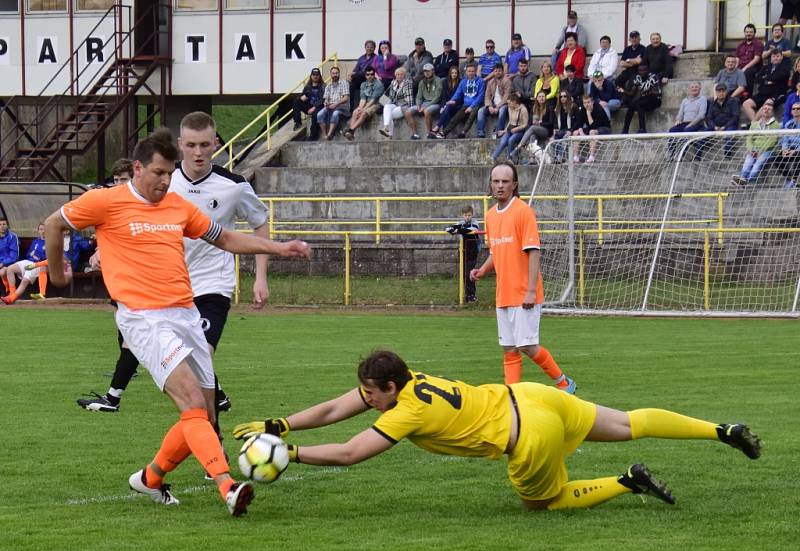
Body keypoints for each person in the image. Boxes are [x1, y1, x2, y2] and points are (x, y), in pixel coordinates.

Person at [47, 127, 311, 517]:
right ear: (137, 168)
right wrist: (57, 275)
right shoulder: (105, 202)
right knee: (190, 402)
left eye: (170, 173)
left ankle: (150, 479)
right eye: (157, 173)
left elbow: (224, 239)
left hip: (185, 314)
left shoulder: (177, 206)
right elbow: (54, 224)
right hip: (143, 319)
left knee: (202, 414)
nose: (165, 181)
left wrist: (278, 247)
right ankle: (227, 485)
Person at [230, 350, 761, 511]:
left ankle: (626, 481)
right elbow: (335, 409)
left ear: (390, 387)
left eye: (371, 393)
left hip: (527, 435)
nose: (365, 400)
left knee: (543, 503)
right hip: (531, 395)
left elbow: (349, 453)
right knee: (628, 421)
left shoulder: (405, 412)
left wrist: (289, 453)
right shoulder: (411, 383)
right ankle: (720, 429)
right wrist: (280, 423)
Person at [77, 112, 273, 427]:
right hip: (164, 288)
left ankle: (209, 438)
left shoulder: (234, 186)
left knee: (200, 363)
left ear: (216, 144)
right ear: (181, 145)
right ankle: (197, 429)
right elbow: (131, 219)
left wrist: (260, 277)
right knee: (158, 355)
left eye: (205, 145)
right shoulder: (164, 180)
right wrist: (105, 249)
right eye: (192, 145)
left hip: (212, 285)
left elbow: (258, 223)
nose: (198, 152)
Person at [470, 162, 576, 390]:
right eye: (496, 181)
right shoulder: (489, 215)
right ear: (490, 184)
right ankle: (513, 395)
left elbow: (533, 251)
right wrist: (483, 270)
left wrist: (530, 291)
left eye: (505, 182)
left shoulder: (523, 212)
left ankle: (564, 382)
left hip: (523, 293)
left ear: (514, 185)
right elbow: (496, 252)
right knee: (509, 348)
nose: (499, 186)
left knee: (528, 346)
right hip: (504, 293)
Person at [732, 100, 780, 186]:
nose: (766, 110)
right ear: (761, 111)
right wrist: (751, 149)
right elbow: (749, 138)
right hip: (755, 149)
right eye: (764, 108)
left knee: (757, 164)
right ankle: (742, 179)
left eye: (769, 109)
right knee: (748, 162)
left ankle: (746, 181)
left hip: (768, 150)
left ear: (772, 112)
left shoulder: (775, 125)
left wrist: (761, 151)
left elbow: (773, 140)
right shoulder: (754, 124)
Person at [0, 222, 47, 304]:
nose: (42, 231)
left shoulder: (50, 242)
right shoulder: (36, 241)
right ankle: (11, 293)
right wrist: (32, 254)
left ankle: (12, 298)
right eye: (40, 229)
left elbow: (48, 258)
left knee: (25, 280)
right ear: (38, 231)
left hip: (38, 264)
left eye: (44, 229)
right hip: (28, 261)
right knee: (10, 269)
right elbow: (28, 253)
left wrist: (38, 257)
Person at [435, 64, 485, 139]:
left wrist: (471, 107)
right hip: (466, 104)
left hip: (476, 104)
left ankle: (463, 132)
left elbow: (480, 96)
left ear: (475, 72)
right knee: (456, 117)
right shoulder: (463, 82)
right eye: (469, 71)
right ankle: (444, 133)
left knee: (472, 115)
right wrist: (451, 100)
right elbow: (457, 93)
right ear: (466, 72)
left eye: (472, 71)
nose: (471, 73)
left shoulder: (480, 81)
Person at [445, 205, 482, 302]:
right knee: (464, 274)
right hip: (464, 251)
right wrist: (454, 230)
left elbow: (472, 230)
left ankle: (472, 295)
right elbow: (448, 229)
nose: (467, 217)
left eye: (469, 215)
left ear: (472, 215)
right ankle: (467, 295)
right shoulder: (461, 223)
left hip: (473, 251)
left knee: (469, 273)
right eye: (465, 215)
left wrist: (458, 230)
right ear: (463, 215)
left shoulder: (474, 222)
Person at [742, 50, 791, 122]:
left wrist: (766, 78)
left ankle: (753, 126)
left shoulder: (785, 68)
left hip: (777, 94)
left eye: (778, 56)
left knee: (766, 104)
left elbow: (777, 77)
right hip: (762, 93)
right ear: (771, 58)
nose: (775, 58)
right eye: (773, 56)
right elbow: (758, 79)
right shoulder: (765, 67)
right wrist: (768, 81)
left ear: (781, 57)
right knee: (746, 104)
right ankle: (756, 124)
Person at [667, 82, 708, 158]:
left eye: (696, 87)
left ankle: (680, 155)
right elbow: (680, 114)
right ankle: (671, 154)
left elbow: (701, 115)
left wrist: (691, 124)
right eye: (692, 87)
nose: (694, 88)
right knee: (672, 130)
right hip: (685, 123)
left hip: (697, 124)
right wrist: (678, 120)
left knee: (686, 131)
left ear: (700, 89)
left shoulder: (702, 99)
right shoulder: (684, 100)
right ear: (689, 89)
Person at [343, 67, 383, 140]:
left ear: (374, 75)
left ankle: (351, 130)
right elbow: (362, 99)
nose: (370, 76)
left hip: (376, 104)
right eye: (368, 74)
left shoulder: (378, 84)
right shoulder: (363, 84)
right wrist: (360, 108)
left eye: (372, 74)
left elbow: (373, 100)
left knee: (364, 112)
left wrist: (363, 109)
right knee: (355, 112)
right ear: (365, 75)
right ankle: (351, 133)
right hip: (366, 103)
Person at [621, 63, 662, 134]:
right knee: (631, 105)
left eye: (644, 70)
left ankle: (642, 129)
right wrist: (624, 91)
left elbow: (657, 92)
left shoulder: (653, 77)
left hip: (655, 99)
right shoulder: (638, 77)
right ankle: (625, 130)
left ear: (647, 70)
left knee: (640, 104)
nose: (641, 72)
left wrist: (648, 91)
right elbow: (632, 92)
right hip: (643, 99)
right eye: (640, 70)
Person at [379, 67, 418, 140]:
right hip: (395, 104)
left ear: (404, 75)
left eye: (400, 74)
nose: (398, 76)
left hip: (404, 106)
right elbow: (390, 96)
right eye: (397, 74)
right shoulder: (393, 82)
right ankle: (386, 127)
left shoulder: (408, 83)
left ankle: (389, 135)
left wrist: (409, 108)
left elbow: (409, 97)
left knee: (388, 115)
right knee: (387, 107)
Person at [704, 83, 740, 159]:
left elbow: (735, 117)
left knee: (729, 134)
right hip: (716, 126)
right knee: (702, 134)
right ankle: (697, 156)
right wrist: (714, 126)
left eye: (723, 91)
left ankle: (727, 156)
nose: (721, 93)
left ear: (726, 92)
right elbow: (709, 118)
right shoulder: (712, 103)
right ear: (716, 93)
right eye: (719, 91)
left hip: (729, 125)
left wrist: (725, 127)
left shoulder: (734, 101)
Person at [514, 91, 554, 158]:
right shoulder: (533, 108)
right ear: (537, 99)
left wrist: (540, 123)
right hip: (535, 130)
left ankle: (520, 145)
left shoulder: (549, 107)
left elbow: (551, 122)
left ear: (545, 98)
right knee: (532, 136)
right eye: (540, 97)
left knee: (533, 128)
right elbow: (529, 122)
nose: (541, 98)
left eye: (543, 97)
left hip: (546, 130)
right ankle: (531, 158)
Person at [573, 95, 611, 164]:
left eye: (588, 102)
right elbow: (579, 123)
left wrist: (588, 114)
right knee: (576, 132)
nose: (586, 105)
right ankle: (576, 157)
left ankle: (592, 157)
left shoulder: (598, 108)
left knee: (592, 132)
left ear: (592, 102)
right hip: (592, 129)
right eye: (585, 103)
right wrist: (581, 133)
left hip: (604, 128)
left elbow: (594, 126)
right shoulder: (583, 109)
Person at [492, 92, 529, 163]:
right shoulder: (510, 108)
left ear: (514, 102)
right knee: (503, 142)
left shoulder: (523, 109)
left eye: (509, 103)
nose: (508, 105)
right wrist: (504, 131)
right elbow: (510, 121)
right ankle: (493, 157)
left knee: (511, 140)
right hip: (510, 129)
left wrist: (517, 129)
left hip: (519, 130)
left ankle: (509, 159)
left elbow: (525, 124)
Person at [477, 63, 511, 138]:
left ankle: (498, 131)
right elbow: (487, 96)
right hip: (492, 105)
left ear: (503, 72)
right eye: (496, 71)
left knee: (502, 110)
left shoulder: (507, 81)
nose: (497, 73)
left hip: (503, 104)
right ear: (493, 72)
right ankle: (480, 131)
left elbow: (506, 96)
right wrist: (489, 106)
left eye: (499, 71)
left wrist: (497, 107)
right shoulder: (490, 82)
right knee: (481, 111)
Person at [317, 66, 350, 140]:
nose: (335, 75)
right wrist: (326, 103)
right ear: (330, 74)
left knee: (335, 114)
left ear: (339, 74)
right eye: (333, 73)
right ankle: (325, 134)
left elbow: (346, 98)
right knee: (319, 114)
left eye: (336, 73)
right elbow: (325, 99)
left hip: (342, 107)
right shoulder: (328, 85)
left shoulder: (344, 83)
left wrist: (335, 104)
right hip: (330, 106)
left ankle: (329, 134)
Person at [428, 66, 462, 139]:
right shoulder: (445, 82)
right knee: (446, 110)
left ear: (458, 74)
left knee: (447, 108)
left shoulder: (460, 82)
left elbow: (461, 97)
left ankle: (437, 128)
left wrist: (454, 102)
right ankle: (443, 134)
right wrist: (442, 106)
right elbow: (443, 97)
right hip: (447, 105)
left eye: (456, 73)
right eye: (452, 73)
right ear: (450, 73)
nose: (454, 74)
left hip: (457, 105)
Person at [292, 67, 325, 140]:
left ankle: (313, 135)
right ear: (311, 76)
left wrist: (314, 107)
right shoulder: (307, 87)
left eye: (317, 75)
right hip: (308, 106)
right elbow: (302, 95)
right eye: (314, 75)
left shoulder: (323, 86)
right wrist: (301, 97)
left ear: (319, 76)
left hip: (319, 107)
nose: (315, 76)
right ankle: (297, 122)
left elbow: (324, 99)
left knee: (315, 115)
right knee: (296, 101)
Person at [413, 63, 443, 137]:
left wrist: (426, 106)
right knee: (408, 112)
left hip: (435, 104)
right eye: (425, 71)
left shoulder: (438, 80)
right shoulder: (422, 82)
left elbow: (437, 97)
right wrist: (418, 105)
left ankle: (429, 132)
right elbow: (419, 96)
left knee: (426, 111)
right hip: (424, 103)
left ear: (433, 71)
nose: (426, 73)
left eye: (428, 71)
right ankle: (415, 133)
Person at [550, 91, 580, 162]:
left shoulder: (573, 106)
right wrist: (555, 129)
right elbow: (555, 122)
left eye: (564, 96)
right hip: (561, 129)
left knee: (564, 138)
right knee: (552, 139)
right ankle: (555, 157)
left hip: (571, 129)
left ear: (568, 97)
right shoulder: (557, 108)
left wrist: (571, 130)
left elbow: (578, 121)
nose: (562, 98)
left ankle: (560, 157)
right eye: (561, 97)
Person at [348, 39, 377, 110]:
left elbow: (369, 70)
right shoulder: (361, 58)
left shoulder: (376, 58)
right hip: (358, 78)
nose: (369, 48)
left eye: (371, 47)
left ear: (374, 48)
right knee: (351, 85)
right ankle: (352, 108)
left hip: (368, 77)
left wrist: (354, 74)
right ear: (365, 48)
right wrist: (351, 75)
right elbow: (355, 69)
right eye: (368, 47)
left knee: (360, 74)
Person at [735, 24, 764, 94]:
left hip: (753, 68)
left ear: (754, 33)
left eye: (751, 32)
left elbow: (756, 59)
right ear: (744, 33)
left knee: (748, 72)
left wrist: (745, 68)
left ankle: (748, 95)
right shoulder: (740, 44)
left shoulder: (758, 44)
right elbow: (737, 58)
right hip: (740, 67)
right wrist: (735, 68)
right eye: (747, 32)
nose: (748, 34)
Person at [777, 100, 800, 187]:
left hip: (798, 149)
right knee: (776, 159)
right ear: (791, 111)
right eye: (793, 108)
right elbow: (785, 138)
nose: (796, 110)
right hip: (790, 148)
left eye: (798, 108)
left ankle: (794, 180)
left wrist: (795, 151)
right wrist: (784, 149)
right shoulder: (788, 124)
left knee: (798, 157)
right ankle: (789, 178)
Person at [0, 218, 20, 285]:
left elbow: (14, 256)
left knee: (2, 272)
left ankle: (7, 290)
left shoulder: (12, 237)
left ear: (7, 225)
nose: (2, 226)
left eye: (4, 224)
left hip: (9, 263)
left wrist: (2, 263)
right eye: (0, 224)